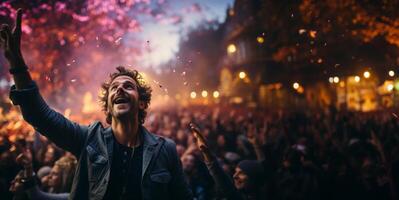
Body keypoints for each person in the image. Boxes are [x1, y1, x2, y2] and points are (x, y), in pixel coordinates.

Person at [0, 9, 192, 200]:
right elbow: (39, 115)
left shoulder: (165, 149)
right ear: (108, 106)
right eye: (114, 88)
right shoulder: (89, 139)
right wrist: (17, 63)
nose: (120, 90)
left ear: (142, 103)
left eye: (128, 86)